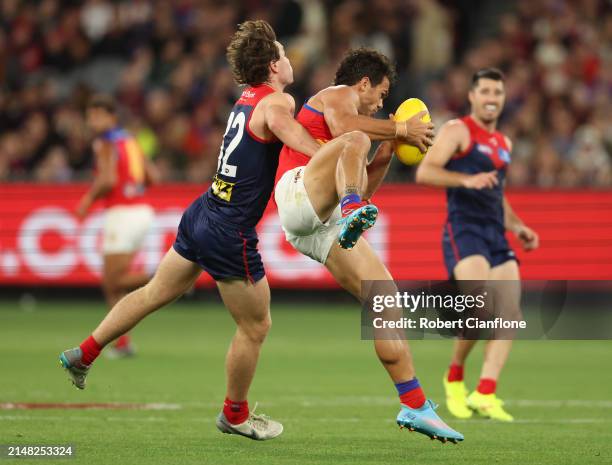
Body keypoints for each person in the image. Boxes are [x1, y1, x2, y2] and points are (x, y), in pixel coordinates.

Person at [60, 20, 320, 441]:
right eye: (284, 54)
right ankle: (234, 414)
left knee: (152, 294)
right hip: (229, 227)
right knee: (256, 326)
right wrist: (339, 154)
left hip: (203, 210)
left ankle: (85, 352)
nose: (290, 60)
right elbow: (295, 138)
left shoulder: (246, 99)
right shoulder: (278, 102)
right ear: (274, 65)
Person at [274, 48, 463, 443]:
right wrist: (399, 130)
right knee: (357, 137)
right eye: (381, 93)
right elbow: (346, 130)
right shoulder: (337, 94)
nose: (381, 103)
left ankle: (415, 404)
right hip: (296, 194)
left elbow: (363, 188)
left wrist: (391, 149)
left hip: (319, 224)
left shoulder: (357, 137)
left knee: (385, 299)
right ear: (363, 83)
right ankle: (349, 208)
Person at [416, 68, 540, 422]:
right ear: (472, 96)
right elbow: (426, 172)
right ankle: (454, 375)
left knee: (511, 314)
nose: (491, 98)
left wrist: (518, 227)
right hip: (464, 229)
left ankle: (486, 391)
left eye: (497, 93)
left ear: (503, 99)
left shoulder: (504, 143)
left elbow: (497, 194)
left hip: (495, 234)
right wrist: (465, 179)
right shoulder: (458, 130)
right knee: (479, 308)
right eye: (484, 91)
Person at [76, 96, 158, 357]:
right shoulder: (130, 140)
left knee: (111, 282)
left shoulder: (105, 142)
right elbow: (152, 176)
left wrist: (88, 199)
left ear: (111, 117)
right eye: (90, 116)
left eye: (97, 115)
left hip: (122, 213)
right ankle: (122, 343)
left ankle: (164, 277)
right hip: (143, 211)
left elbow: (108, 179)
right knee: (115, 285)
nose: (92, 121)